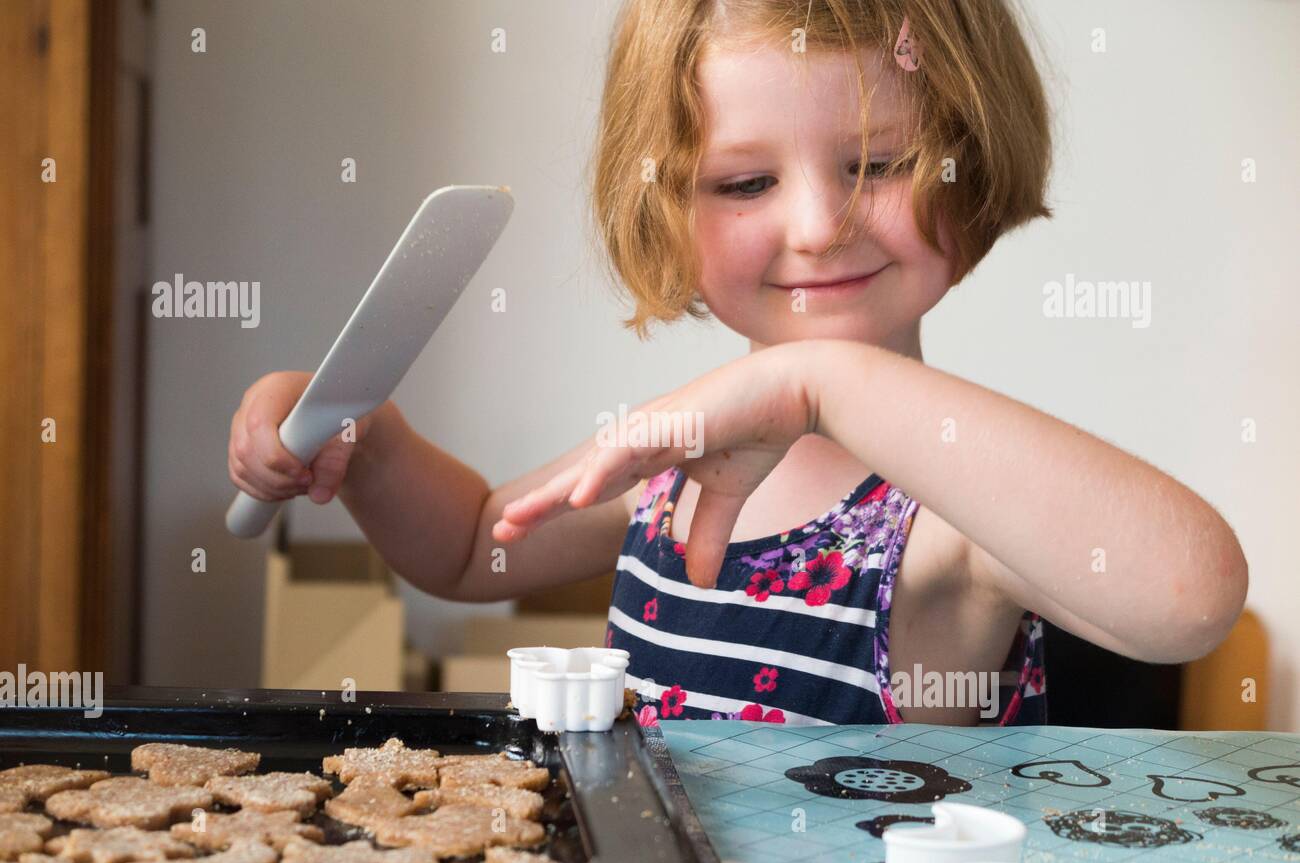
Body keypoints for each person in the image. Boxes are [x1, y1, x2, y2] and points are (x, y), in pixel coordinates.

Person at [228, 0, 1248, 729]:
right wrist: (367, 442)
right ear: (668, 211)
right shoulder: (670, 463)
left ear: (970, 162)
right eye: (744, 180)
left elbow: (1192, 594)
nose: (815, 225)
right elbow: (465, 550)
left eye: (878, 165)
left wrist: (820, 385)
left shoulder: (944, 516)